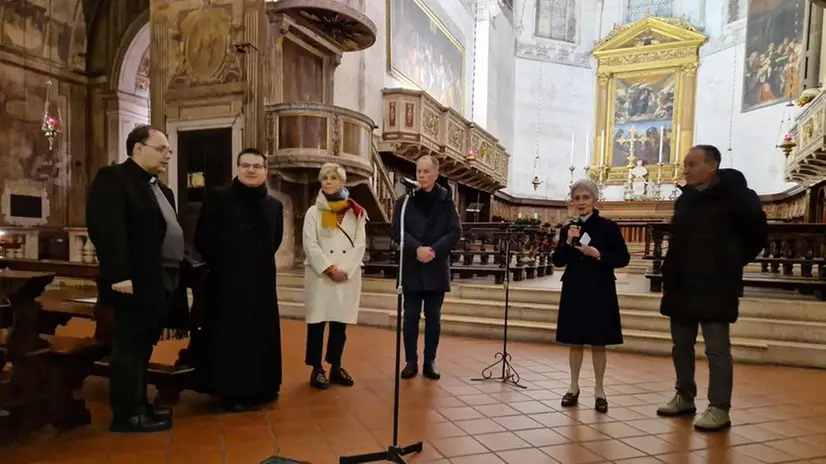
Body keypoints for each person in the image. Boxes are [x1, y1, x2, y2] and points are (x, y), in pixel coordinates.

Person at [656, 145, 767, 432]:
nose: (686, 170)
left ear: (712, 165)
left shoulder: (738, 198)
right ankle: (684, 396)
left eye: (692, 164)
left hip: (716, 284)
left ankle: (719, 407)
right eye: (685, 165)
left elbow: (757, 236)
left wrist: (728, 263)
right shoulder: (686, 200)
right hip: (682, 282)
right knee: (681, 345)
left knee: (717, 349)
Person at [86, 125, 182, 433]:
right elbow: (107, 229)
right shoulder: (113, 179)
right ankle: (126, 415)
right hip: (130, 281)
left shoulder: (158, 187)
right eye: (161, 148)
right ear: (137, 149)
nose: (168, 154)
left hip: (158, 279)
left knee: (143, 345)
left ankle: (141, 406)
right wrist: (119, 275)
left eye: (168, 149)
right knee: (128, 348)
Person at [193, 148, 284, 412]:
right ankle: (231, 391)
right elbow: (203, 238)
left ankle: (263, 387)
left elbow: (274, 240)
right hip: (227, 282)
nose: (251, 170)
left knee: (260, 334)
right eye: (246, 165)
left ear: (265, 171)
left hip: (261, 282)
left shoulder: (274, 206)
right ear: (237, 168)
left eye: (257, 166)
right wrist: (228, 262)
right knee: (231, 335)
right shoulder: (219, 198)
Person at [552, 179, 630, 413]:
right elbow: (557, 261)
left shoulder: (608, 226)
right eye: (577, 198)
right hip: (574, 287)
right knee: (575, 341)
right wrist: (567, 242)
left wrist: (599, 255)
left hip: (600, 288)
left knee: (598, 341)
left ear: (595, 200)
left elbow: (623, 258)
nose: (581, 202)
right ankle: (573, 387)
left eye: (586, 198)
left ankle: (599, 390)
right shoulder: (568, 228)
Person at [391, 155, 462, 380]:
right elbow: (396, 231)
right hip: (411, 266)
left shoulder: (446, 201)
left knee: (433, 317)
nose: (421, 175)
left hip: (435, 267)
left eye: (425, 171)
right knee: (410, 316)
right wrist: (416, 248)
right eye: (418, 171)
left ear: (435, 174)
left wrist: (433, 250)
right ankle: (411, 361)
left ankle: (430, 361)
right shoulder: (404, 202)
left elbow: (455, 231)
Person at [302, 163, 367, 389]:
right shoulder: (313, 212)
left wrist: (345, 270)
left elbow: (360, 245)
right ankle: (316, 368)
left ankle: (336, 366)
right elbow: (310, 245)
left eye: (333, 177)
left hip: (346, 277)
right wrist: (329, 269)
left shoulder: (356, 212)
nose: (328, 181)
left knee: (340, 326)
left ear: (342, 182)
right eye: (324, 178)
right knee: (317, 324)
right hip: (321, 276)